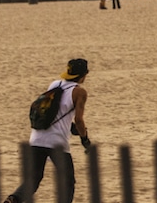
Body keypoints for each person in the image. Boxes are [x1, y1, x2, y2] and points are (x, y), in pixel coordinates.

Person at [6, 59, 93, 203]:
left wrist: (70, 128)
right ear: (84, 75)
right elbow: (79, 120)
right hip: (57, 143)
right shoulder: (80, 92)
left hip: (37, 138)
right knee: (67, 181)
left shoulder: (55, 84)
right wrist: (85, 140)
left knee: (33, 179)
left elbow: (53, 111)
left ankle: (13, 199)